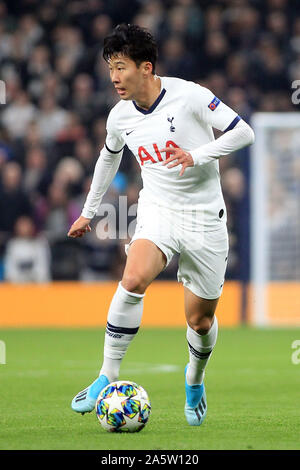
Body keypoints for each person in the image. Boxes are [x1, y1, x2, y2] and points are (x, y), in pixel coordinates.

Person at [68, 24, 255, 426]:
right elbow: (108, 158)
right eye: (110, 68)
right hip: (158, 211)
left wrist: (197, 155)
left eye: (121, 67)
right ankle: (107, 375)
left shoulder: (190, 95)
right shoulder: (120, 117)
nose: (114, 77)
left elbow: (245, 132)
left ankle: (194, 377)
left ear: (146, 67)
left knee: (199, 320)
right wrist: (89, 210)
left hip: (205, 218)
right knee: (133, 279)